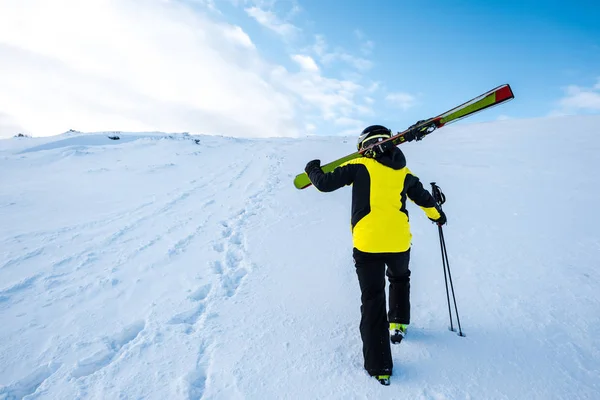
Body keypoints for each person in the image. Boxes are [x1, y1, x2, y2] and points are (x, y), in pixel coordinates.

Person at [304, 124, 447, 386]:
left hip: (368, 244)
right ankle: (400, 321)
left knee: (372, 300)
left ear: (364, 146)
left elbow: (324, 184)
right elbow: (425, 199)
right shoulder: (403, 171)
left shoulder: (359, 165)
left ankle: (380, 366)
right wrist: (437, 216)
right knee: (400, 278)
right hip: (399, 242)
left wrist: (312, 168)